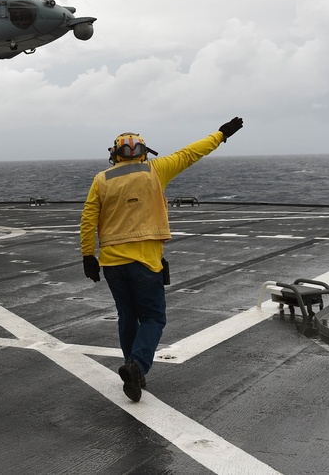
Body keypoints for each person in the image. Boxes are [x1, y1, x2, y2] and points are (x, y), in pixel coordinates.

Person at [79, 118, 244, 402]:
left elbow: (88, 219)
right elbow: (192, 152)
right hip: (145, 262)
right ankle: (136, 366)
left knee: (127, 316)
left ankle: (134, 373)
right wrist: (221, 134)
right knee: (154, 317)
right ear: (144, 151)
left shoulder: (101, 179)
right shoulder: (156, 170)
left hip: (112, 264)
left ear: (114, 154)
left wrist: (87, 256)